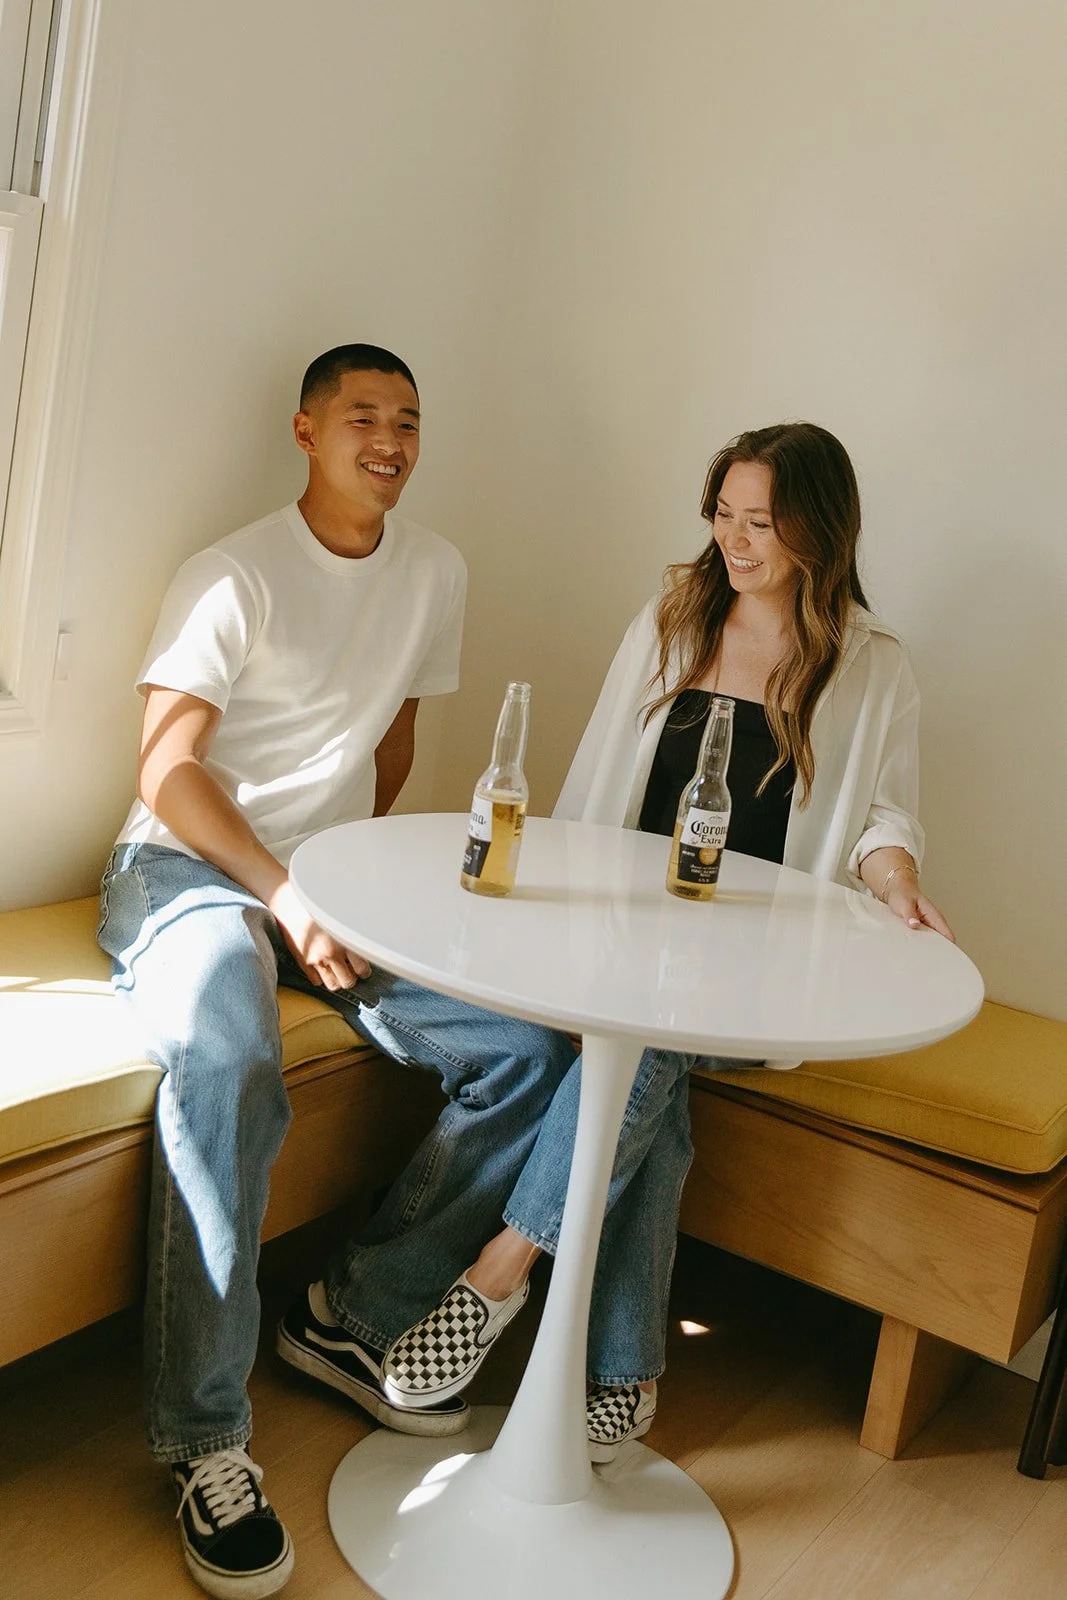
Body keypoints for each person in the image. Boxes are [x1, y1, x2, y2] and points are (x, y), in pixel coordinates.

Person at [333, 421, 955, 1464]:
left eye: (760, 522)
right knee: (647, 1088)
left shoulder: (870, 665)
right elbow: (589, 787)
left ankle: (500, 1268)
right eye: (722, 515)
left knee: (655, 1038)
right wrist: (547, 925)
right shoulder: (674, 618)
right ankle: (620, 1369)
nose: (735, 542)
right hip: (625, 942)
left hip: (759, 964)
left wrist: (898, 880)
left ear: (818, 529)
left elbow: (880, 818)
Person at [97, 343, 576, 1599]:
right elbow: (163, 769)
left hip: (322, 884)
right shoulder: (234, 571)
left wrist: (341, 886)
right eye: (363, 413)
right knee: (232, 1053)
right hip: (187, 872)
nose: (390, 437)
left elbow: (393, 739)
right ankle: (206, 1441)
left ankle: (349, 1315)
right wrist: (281, 890)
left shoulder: (435, 571)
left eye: (409, 419)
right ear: (304, 429)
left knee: (524, 1050)